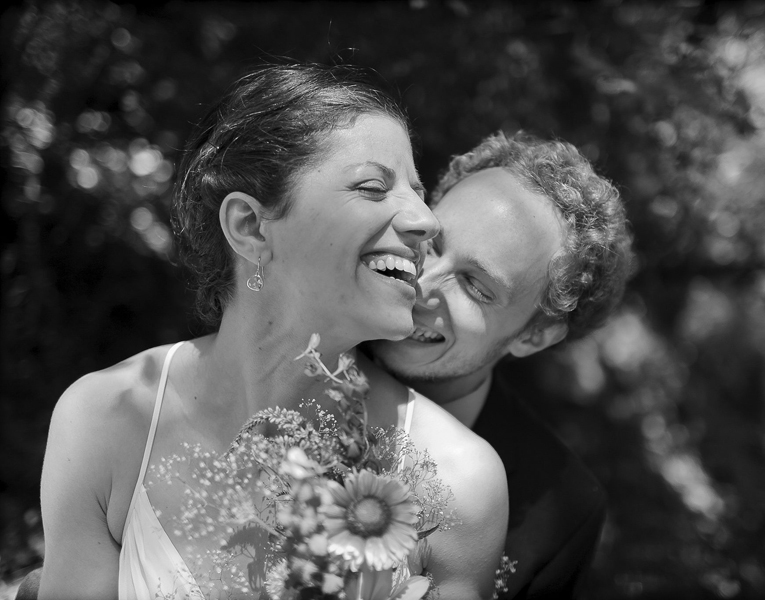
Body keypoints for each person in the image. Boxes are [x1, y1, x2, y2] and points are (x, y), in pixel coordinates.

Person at [35, 64, 508, 600]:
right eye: (374, 187)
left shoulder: (461, 484)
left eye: (419, 192)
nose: (426, 220)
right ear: (250, 227)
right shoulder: (105, 418)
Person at [369, 131, 632, 598]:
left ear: (534, 336)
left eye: (474, 285)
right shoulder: (300, 346)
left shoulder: (562, 509)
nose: (422, 283)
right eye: (431, 243)